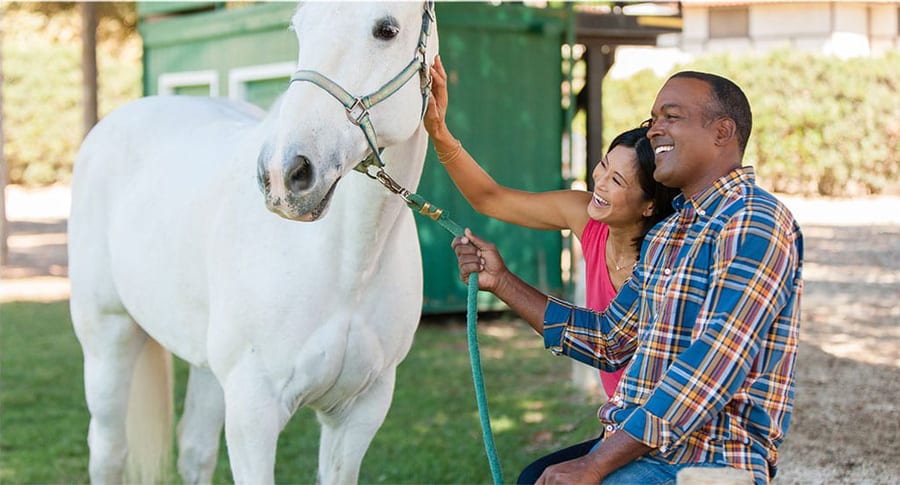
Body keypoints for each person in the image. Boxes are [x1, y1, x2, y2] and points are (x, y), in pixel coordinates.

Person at [452, 71, 803, 485]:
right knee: (535, 478)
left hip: (707, 456)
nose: (654, 130)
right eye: (654, 118)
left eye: (671, 117)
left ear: (722, 132)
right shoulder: (669, 235)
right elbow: (609, 339)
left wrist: (595, 464)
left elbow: (714, 364)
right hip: (644, 448)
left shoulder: (752, 220)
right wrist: (503, 282)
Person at [423, 56, 678, 399]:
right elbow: (490, 198)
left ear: (649, 205)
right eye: (602, 167)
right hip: (618, 418)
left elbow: (606, 344)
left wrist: (503, 282)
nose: (599, 183)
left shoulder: (667, 262)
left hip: (657, 425)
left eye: (616, 180)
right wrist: (439, 132)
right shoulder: (586, 217)